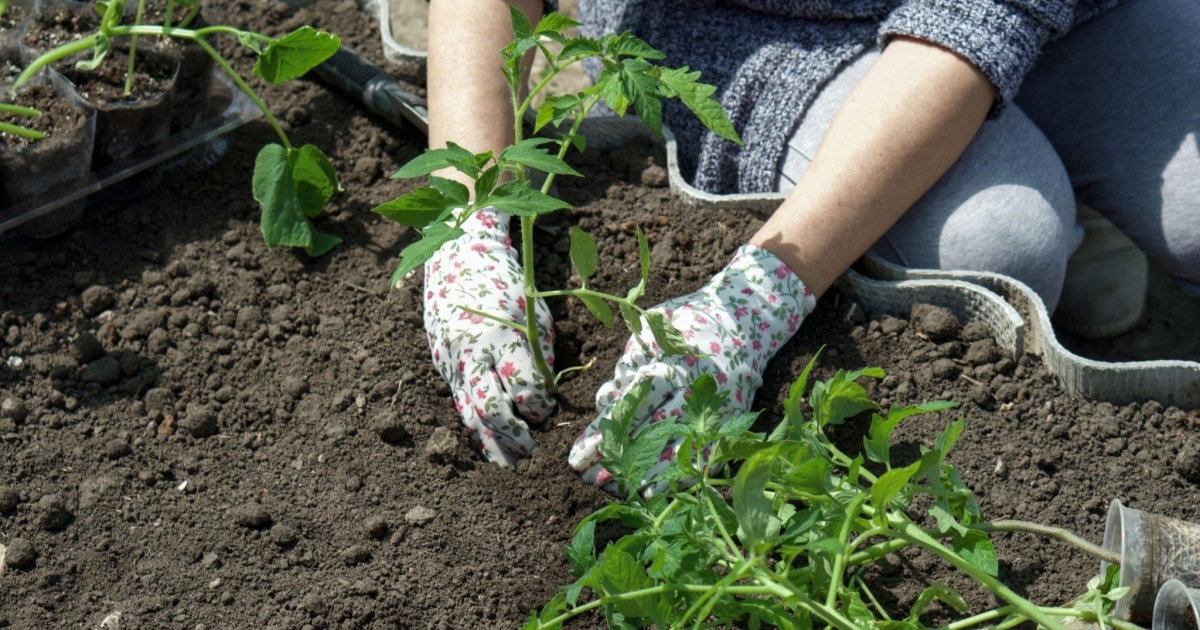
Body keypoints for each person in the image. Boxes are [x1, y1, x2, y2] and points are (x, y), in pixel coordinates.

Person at [422, 0, 1200, 485]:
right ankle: (1061, 201)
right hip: (747, 19)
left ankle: (1083, 195)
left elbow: (979, 16)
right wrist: (468, 223)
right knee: (1000, 244)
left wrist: (751, 303)